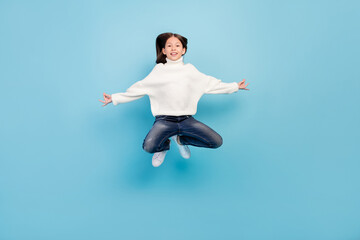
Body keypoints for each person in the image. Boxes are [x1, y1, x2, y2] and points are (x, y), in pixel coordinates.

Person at [99, 32, 249, 167]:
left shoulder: (190, 70)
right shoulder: (159, 71)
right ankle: (163, 147)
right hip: (164, 121)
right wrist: (115, 98)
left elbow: (210, 84)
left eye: (177, 45)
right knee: (148, 147)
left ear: (183, 50)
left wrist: (235, 86)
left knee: (216, 142)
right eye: (169, 46)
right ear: (163, 51)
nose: (173, 48)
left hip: (186, 120)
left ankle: (181, 140)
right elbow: (140, 88)